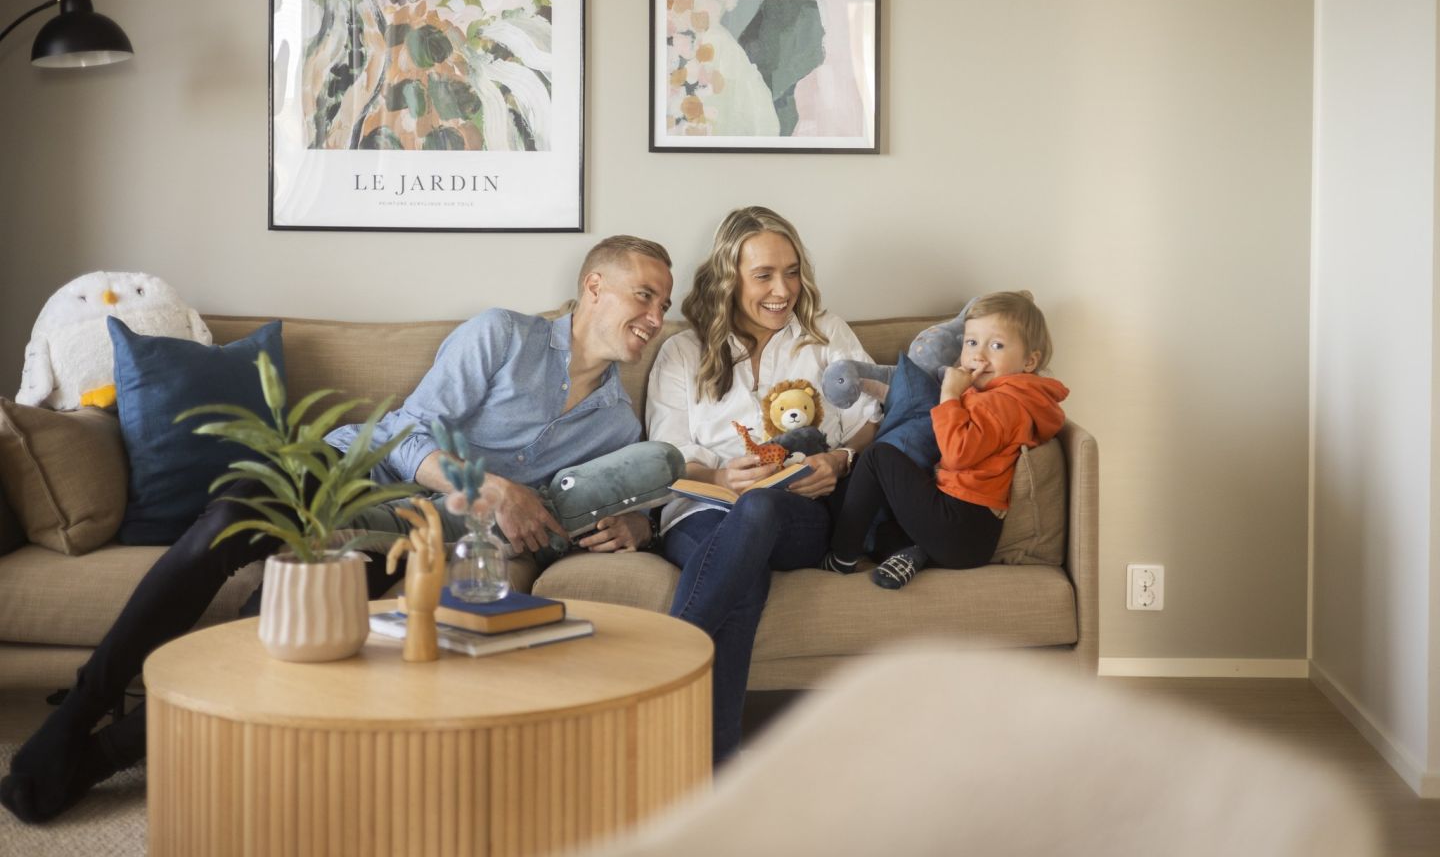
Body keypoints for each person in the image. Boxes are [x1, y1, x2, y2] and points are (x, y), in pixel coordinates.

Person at [0, 235, 674, 824]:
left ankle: (102, 756)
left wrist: (637, 527)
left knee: (299, 622)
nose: (656, 317)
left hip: (407, 532)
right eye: (644, 296)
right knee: (232, 518)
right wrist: (488, 488)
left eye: (664, 305)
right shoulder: (504, 335)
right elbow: (408, 432)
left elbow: (612, 500)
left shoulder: (616, 424)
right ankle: (82, 706)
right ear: (594, 287)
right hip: (351, 470)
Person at [647, 206, 880, 764]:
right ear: (729, 278)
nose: (783, 290)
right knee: (743, 581)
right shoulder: (683, 351)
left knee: (758, 509)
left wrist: (841, 459)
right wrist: (719, 475)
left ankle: (658, 669)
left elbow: (875, 415)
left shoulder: (826, 334)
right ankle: (717, 774)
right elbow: (665, 456)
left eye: (792, 272)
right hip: (701, 513)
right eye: (764, 275)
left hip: (793, 516)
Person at [822, 291, 1069, 589]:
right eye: (971, 342)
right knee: (886, 531)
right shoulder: (1016, 399)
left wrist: (949, 395)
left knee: (878, 457)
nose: (979, 356)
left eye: (997, 345)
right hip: (971, 538)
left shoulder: (1001, 402)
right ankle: (915, 554)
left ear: (1030, 361)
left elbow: (957, 453)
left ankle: (841, 556)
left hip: (958, 522)